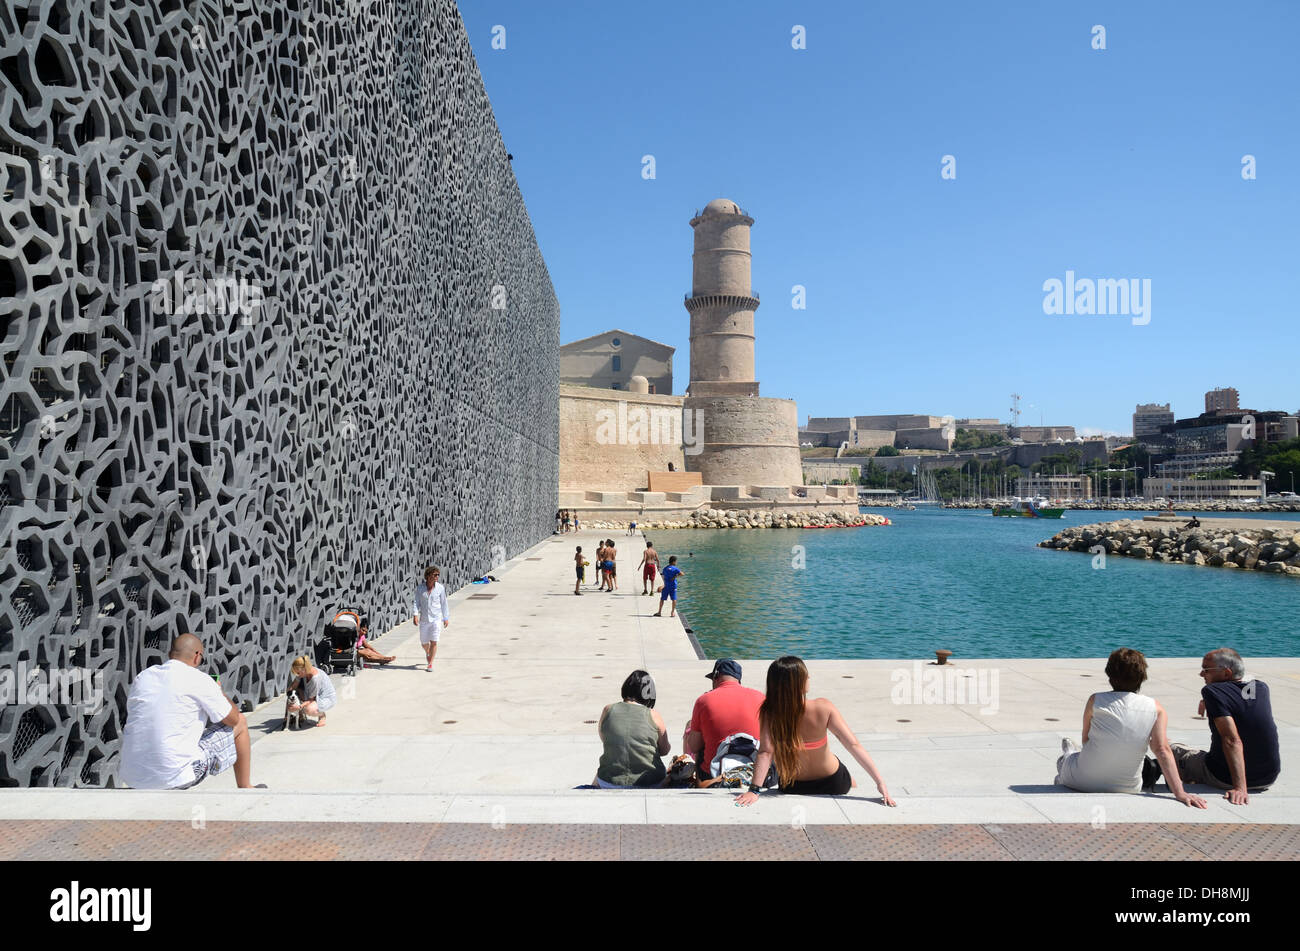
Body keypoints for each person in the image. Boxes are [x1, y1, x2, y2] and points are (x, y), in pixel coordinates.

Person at [1054, 648, 1206, 807]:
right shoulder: (1156, 708)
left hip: (1083, 781)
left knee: (1064, 760)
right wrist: (1180, 793)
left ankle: (1067, 759)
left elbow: (1086, 739)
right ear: (1142, 677)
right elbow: (1162, 750)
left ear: (1109, 674)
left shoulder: (1095, 699)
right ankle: (1070, 758)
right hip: (1128, 786)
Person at [736, 656, 895, 805]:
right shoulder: (823, 707)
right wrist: (879, 782)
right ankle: (851, 781)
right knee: (843, 772)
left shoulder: (769, 712)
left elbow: (766, 752)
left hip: (792, 785)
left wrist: (754, 791)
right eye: (806, 676)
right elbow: (853, 745)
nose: (809, 678)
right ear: (798, 682)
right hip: (833, 782)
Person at [119, 634, 256, 789]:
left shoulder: (143, 677)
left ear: (171, 654)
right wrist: (220, 692)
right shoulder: (200, 679)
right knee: (242, 721)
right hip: (176, 777)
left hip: (132, 777)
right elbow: (233, 719)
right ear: (197, 656)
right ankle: (246, 787)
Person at [1170, 648, 1281, 805]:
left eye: (1206, 670)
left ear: (1226, 673)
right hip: (1267, 778)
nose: (1201, 674)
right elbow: (1244, 681)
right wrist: (1207, 701)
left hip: (1223, 777)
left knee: (1171, 750)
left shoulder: (1212, 691)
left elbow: (1231, 740)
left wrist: (1240, 788)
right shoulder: (1261, 687)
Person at [683, 659, 764, 781]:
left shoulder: (703, 700)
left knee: (698, 741)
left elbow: (694, 747)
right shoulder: (760, 697)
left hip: (714, 775)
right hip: (754, 773)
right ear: (738, 680)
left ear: (716, 677)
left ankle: (699, 782)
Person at [593, 670, 669, 788]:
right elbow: (665, 750)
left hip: (609, 781)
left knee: (599, 774)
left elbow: (606, 739)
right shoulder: (654, 715)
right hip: (650, 781)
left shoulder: (608, 710)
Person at [412, 565, 450, 671]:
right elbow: (416, 602)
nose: (437, 577)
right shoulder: (420, 588)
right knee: (424, 642)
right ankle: (428, 652)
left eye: (438, 575)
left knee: (434, 641)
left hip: (436, 619)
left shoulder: (440, 588)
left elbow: (444, 603)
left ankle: (430, 663)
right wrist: (415, 614)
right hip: (424, 619)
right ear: (428, 576)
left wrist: (446, 618)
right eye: (435, 575)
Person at [286, 655, 337, 727]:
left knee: (309, 709)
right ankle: (297, 716)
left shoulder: (315, 678)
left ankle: (321, 714)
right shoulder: (305, 671)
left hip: (324, 698)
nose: (297, 674)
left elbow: (311, 700)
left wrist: (299, 707)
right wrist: (290, 692)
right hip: (311, 694)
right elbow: (291, 688)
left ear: (303, 669)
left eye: (298, 673)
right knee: (292, 694)